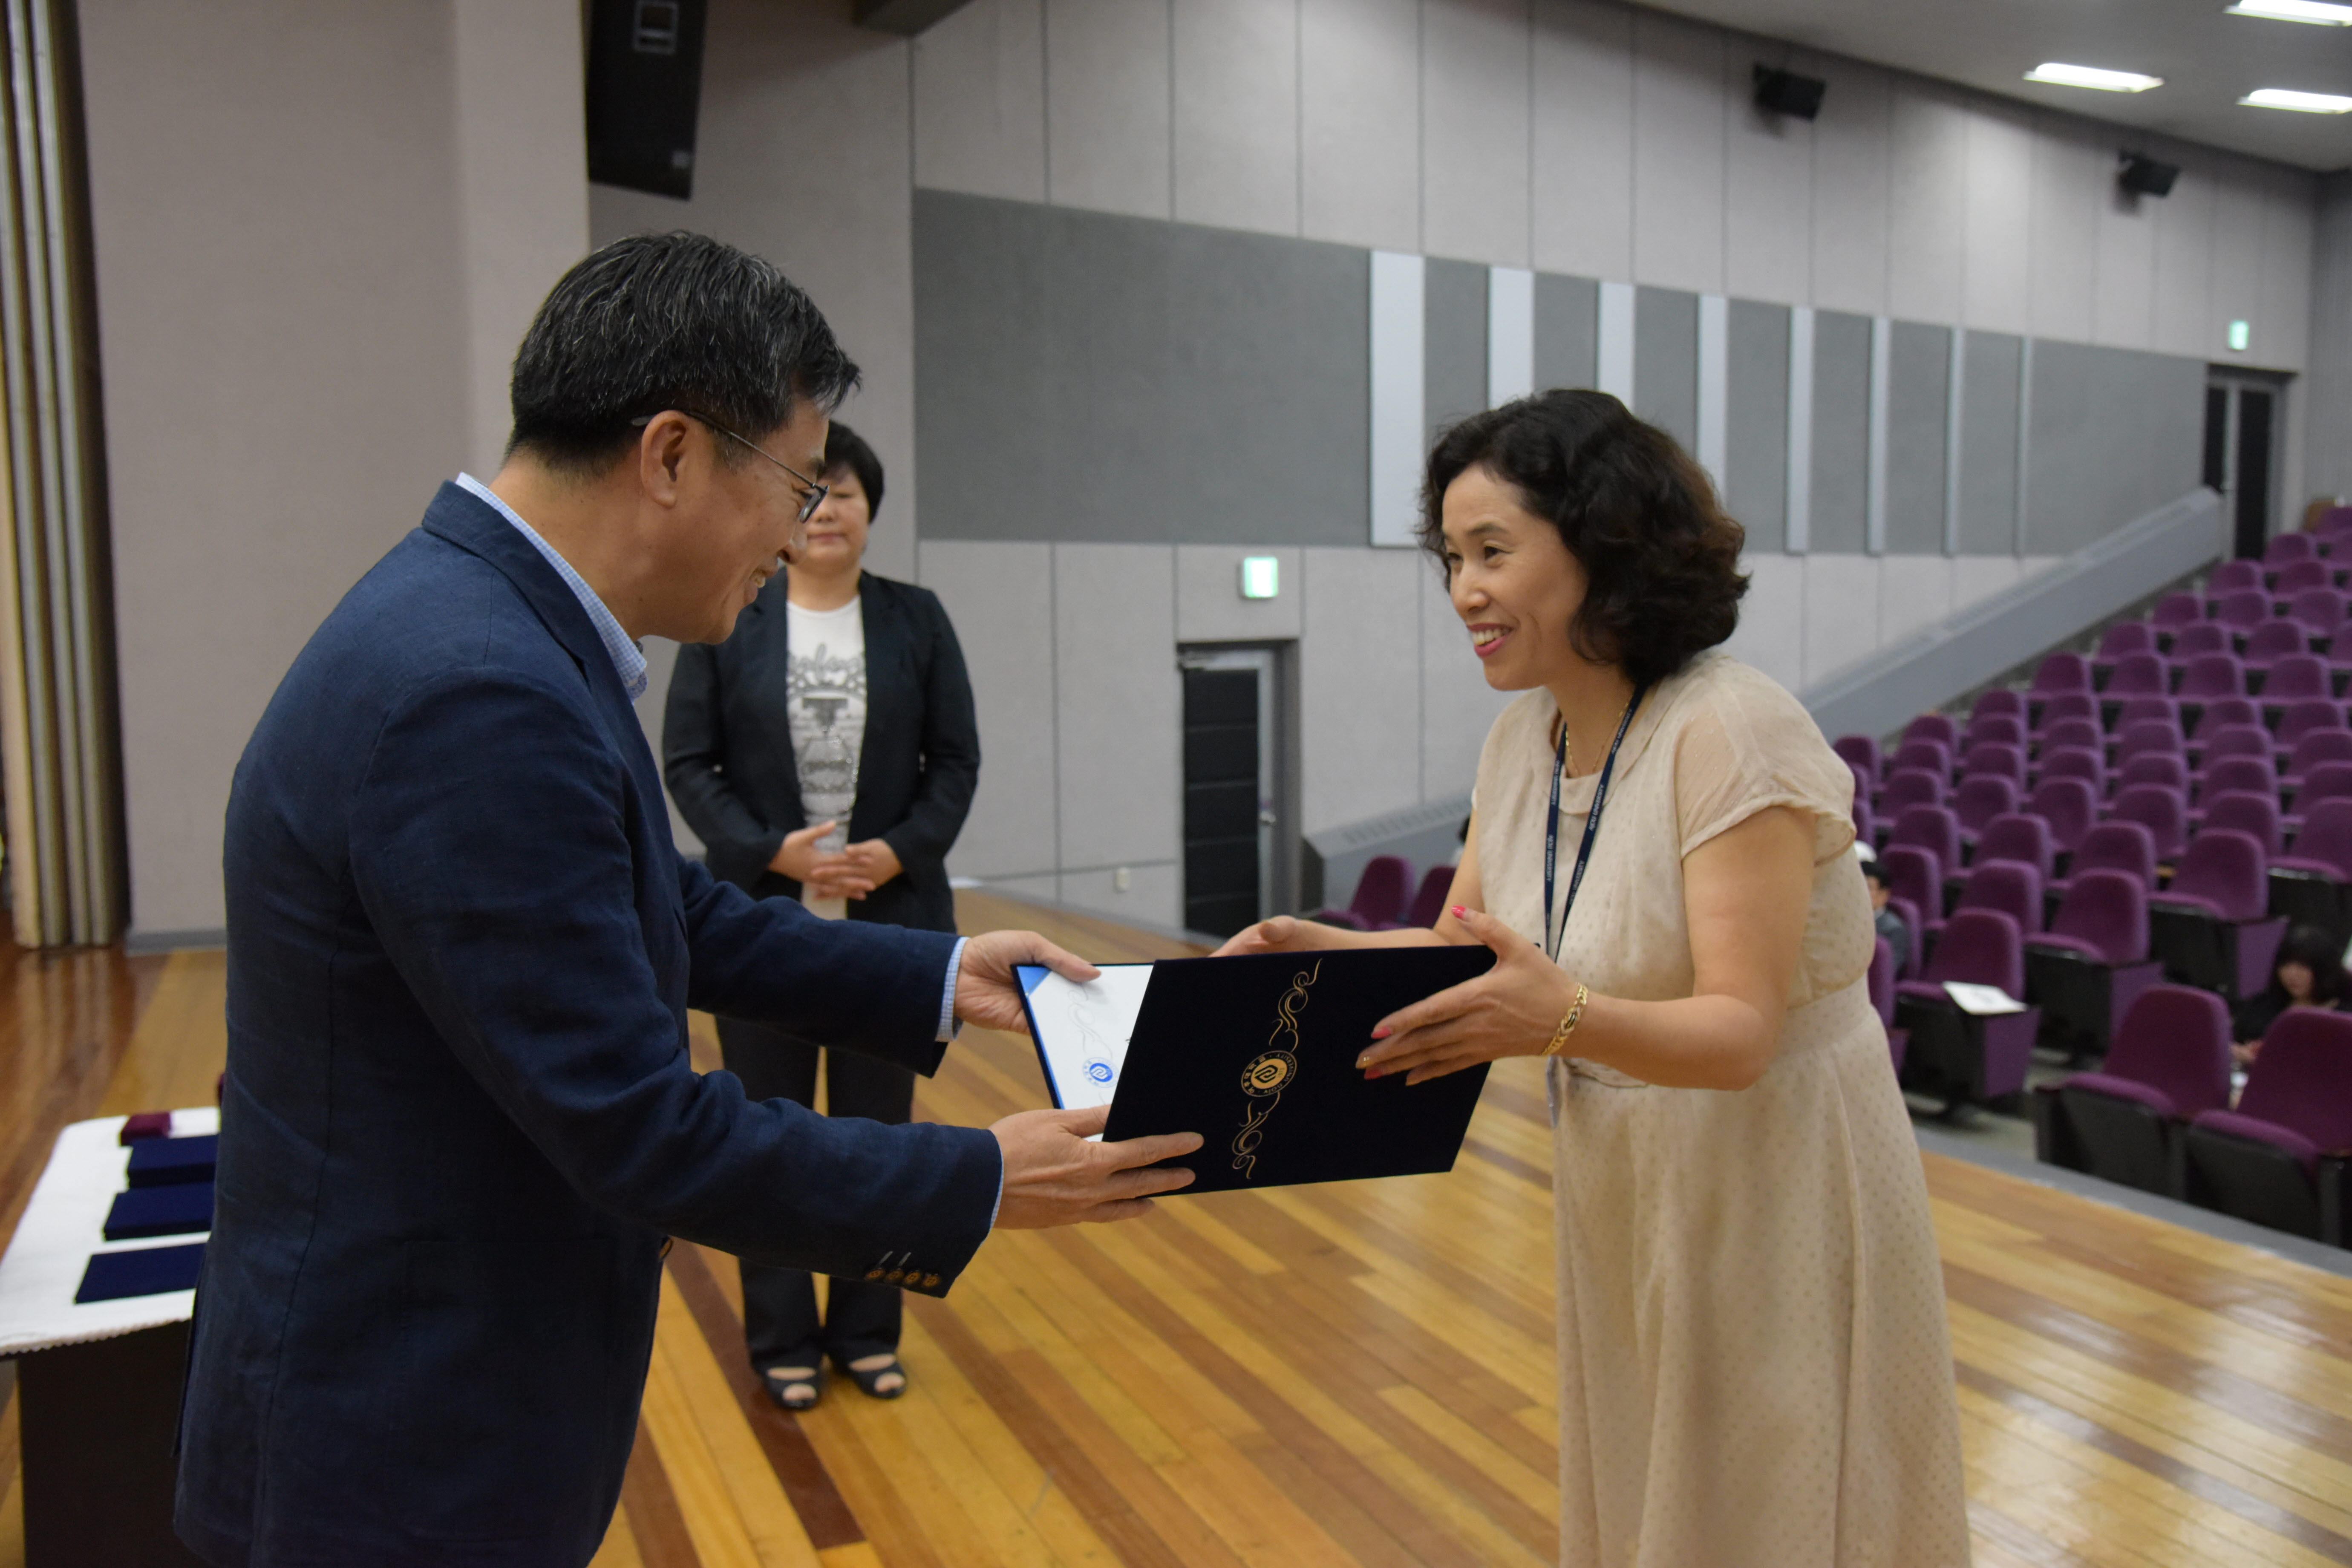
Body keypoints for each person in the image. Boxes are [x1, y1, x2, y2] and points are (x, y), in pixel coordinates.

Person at [176, 233, 1201, 1568]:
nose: (796, 531)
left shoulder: (492, 623)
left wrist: (931, 973)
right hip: (404, 1437)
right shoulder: (474, 690)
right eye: (793, 481)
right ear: (670, 454)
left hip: (424, 1400)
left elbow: (655, 899)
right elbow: (642, 1129)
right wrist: (977, 1175)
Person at [1218, 390, 1969, 1565]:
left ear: (1602, 545)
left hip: (1775, 1174)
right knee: (1652, 1491)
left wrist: (1558, 1018)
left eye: (1492, 551)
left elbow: (1740, 1033)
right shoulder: (1524, 734)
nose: (1464, 591)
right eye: (1451, 558)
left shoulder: (1731, 729)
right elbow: (1472, 945)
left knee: (1767, 1503)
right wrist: (1324, 952)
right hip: (1624, 1173)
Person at [665, 422, 974, 1409]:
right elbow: (688, 763)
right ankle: (781, 1338)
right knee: (769, 1140)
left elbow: (954, 761)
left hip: (892, 927)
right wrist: (772, 849)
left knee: (881, 1138)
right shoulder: (732, 612)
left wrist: (899, 849)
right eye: (808, 493)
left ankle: (867, 1331)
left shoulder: (917, 618)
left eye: (843, 493)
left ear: (870, 509)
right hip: (760, 926)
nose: (826, 511)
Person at [2231, 923, 2347, 1064]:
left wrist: (2268, 1061)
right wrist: (2239, 1052)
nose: (2292, 975)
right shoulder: (2264, 1004)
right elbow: (2234, 1039)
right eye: (2286, 965)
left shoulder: (2345, 1017)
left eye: (2302, 966)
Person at [1863, 859, 1910, 974]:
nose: (1860, 892)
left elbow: (1885, 973)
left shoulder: (1893, 930)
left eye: (1868, 887)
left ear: (1883, 895)